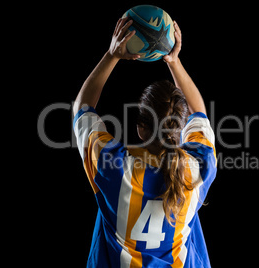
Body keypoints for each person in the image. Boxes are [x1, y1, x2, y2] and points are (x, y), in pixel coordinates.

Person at [73, 17, 217, 268]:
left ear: (141, 128)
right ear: (180, 128)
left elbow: (82, 109)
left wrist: (112, 55)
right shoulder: (198, 168)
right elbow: (199, 112)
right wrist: (173, 61)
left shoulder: (112, 167)